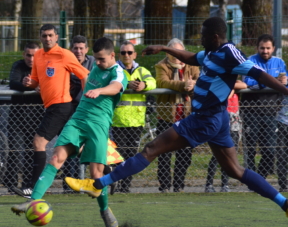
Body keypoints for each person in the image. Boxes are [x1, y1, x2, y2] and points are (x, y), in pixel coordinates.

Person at [65, 17, 288, 218]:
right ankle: (284, 203)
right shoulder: (211, 52)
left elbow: (259, 74)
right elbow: (192, 58)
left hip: (205, 118)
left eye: (202, 35)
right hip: (215, 119)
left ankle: (97, 183)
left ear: (215, 37)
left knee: (151, 149)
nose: (199, 39)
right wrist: (164, 48)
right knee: (235, 170)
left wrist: (285, 90)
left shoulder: (229, 53)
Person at [11, 37, 128, 227]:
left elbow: (116, 87)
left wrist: (100, 91)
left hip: (98, 124)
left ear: (112, 55)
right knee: (56, 158)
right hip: (78, 119)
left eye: (101, 59)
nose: (97, 63)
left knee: (96, 175)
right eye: (96, 59)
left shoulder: (118, 72)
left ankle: (105, 210)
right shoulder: (97, 69)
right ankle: (33, 201)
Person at [14, 24, 90, 197]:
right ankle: (105, 164)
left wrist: (85, 101)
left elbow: (84, 75)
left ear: (57, 37)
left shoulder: (64, 54)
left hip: (61, 106)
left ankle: (34, 188)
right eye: (44, 36)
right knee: (72, 145)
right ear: (40, 37)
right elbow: (35, 80)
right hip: (52, 107)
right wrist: (29, 83)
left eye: (50, 35)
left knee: (39, 143)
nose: (47, 39)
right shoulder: (39, 55)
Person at [154, 38, 199, 193]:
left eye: (179, 53)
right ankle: (165, 185)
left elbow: (199, 80)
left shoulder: (193, 65)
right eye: (173, 53)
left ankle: (179, 185)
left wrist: (192, 85)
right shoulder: (161, 66)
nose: (176, 57)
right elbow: (162, 83)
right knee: (164, 154)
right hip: (167, 117)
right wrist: (183, 85)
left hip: (187, 117)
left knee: (185, 154)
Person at [111, 40, 156, 193]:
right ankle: (115, 184)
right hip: (118, 121)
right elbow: (110, 83)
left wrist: (144, 85)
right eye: (123, 52)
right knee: (119, 156)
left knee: (132, 156)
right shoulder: (115, 69)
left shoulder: (142, 70)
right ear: (119, 54)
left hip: (136, 121)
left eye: (130, 52)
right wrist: (126, 84)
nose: (127, 55)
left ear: (135, 54)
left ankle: (126, 187)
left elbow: (152, 82)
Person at [241, 34, 287, 179]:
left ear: (273, 48)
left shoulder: (279, 63)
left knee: (270, 151)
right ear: (257, 48)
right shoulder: (250, 61)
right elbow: (248, 81)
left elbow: (285, 82)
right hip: (251, 111)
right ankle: (250, 180)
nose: (265, 51)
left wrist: (284, 82)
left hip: (271, 112)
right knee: (250, 149)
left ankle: (259, 179)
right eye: (262, 48)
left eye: (268, 48)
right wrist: (272, 81)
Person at [3, 42, 43, 196]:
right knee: (15, 150)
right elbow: (14, 82)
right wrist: (31, 86)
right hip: (17, 118)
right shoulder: (18, 66)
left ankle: (27, 185)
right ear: (23, 54)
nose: (31, 59)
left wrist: (33, 84)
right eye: (28, 55)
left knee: (31, 153)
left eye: (35, 55)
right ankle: (11, 185)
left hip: (36, 117)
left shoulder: (43, 67)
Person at [62, 35, 96, 193]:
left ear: (87, 50)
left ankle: (96, 184)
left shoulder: (95, 64)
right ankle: (68, 184)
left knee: (93, 147)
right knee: (70, 145)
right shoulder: (65, 62)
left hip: (90, 110)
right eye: (75, 48)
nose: (78, 51)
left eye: (81, 48)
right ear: (71, 49)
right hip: (69, 109)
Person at [205, 80, 246, 193]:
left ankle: (225, 184)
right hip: (221, 122)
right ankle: (209, 184)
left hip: (234, 123)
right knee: (217, 156)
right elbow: (227, 95)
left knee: (230, 156)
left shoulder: (233, 83)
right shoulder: (218, 85)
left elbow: (244, 84)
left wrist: (231, 84)